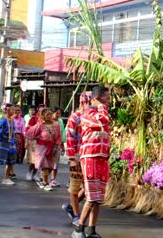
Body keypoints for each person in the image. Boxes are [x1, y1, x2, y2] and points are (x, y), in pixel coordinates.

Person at [72, 86, 111, 238]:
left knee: (98, 198)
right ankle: (78, 230)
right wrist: (101, 106)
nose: (109, 101)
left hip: (102, 158)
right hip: (90, 157)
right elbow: (103, 121)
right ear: (97, 98)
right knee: (91, 196)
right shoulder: (88, 113)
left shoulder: (101, 111)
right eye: (106, 98)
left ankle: (91, 229)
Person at [62, 92, 91, 226]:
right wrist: (72, 157)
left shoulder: (92, 117)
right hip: (78, 157)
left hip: (89, 157)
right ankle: (76, 214)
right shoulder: (75, 117)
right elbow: (70, 137)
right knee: (74, 187)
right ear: (84, 102)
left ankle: (70, 207)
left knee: (88, 188)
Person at [26, 108, 62, 191]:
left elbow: (58, 137)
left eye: (50, 114)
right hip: (42, 147)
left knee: (51, 166)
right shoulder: (40, 125)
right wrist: (36, 139)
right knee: (45, 166)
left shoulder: (56, 125)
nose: (49, 116)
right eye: (47, 115)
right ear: (43, 116)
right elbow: (30, 133)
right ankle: (45, 183)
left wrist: (57, 146)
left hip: (52, 147)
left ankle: (43, 180)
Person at [50, 106, 66, 187]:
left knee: (56, 163)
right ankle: (45, 178)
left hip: (58, 144)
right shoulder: (49, 121)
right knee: (48, 163)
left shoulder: (60, 121)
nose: (58, 115)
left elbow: (62, 133)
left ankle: (53, 179)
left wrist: (62, 144)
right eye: (57, 113)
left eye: (60, 113)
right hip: (49, 145)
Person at [25, 107, 41, 181]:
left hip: (42, 143)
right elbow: (27, 131)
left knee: (39, 161)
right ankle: (28, 173)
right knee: (33, 160)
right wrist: (26, 141)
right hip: (33, 141)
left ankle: (34, 174)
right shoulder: (33, 119)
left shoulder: (46, 120)